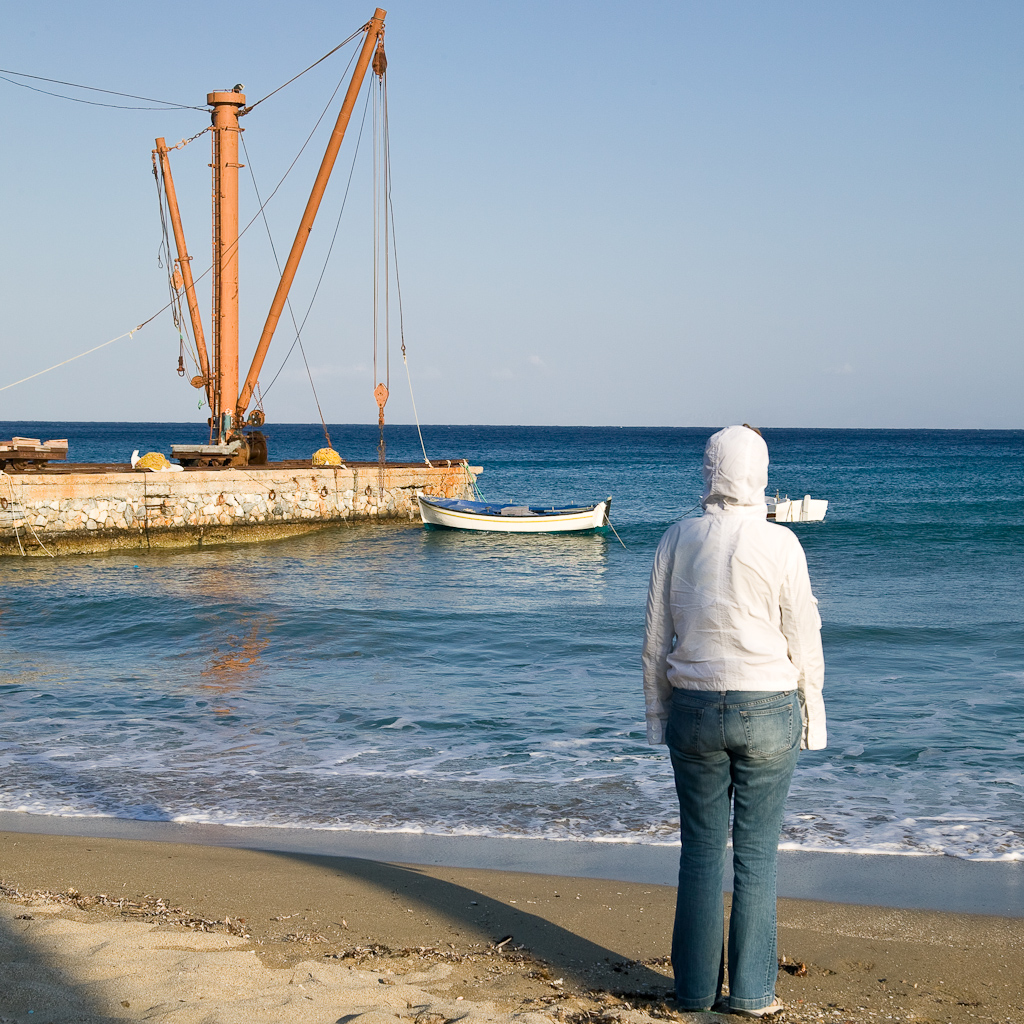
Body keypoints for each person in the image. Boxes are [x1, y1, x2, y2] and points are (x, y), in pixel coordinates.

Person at [642, 424, 826, 1018]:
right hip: (768, 707)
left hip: (693, 707)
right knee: (756, 857)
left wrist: (657, 715)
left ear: (710, 470)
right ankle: (750, 995)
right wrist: (813, 716)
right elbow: (804, 637)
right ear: (759, 474)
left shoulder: (677, 538)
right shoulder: (781, 543)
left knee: (699, 853)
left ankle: (694, 992)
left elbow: (654, 639)